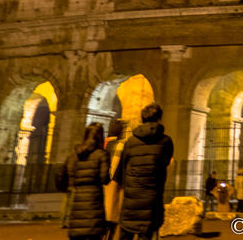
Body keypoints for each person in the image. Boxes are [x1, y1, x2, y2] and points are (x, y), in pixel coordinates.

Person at [117, 102, 175, 240]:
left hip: (132, 197)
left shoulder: (130, 142)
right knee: (147, 234)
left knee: (126, 233)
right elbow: (166, 163)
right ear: (159, 119)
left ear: (142, 119)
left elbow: (123, 167)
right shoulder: (166, 141)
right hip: (152, 196)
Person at [58, 121, 111, 240]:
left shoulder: (74, 154)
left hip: (76, 204)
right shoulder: (101, 155)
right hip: (94, 204)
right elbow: (104, 178)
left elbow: (62, 176)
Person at [103, 119, 127, 240]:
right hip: (116, 182)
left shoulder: (106, 144)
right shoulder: (122, 144)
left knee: (106, 214)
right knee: (114, 215)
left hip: (104, 181)